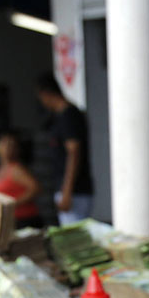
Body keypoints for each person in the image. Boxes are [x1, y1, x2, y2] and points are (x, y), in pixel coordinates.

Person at [35, 72, 93, 223]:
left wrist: (67, 190)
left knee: (74, 238)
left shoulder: (69, 115)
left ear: (46, 94)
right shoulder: (60, 117)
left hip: (75, 191)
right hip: (69, 189)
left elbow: (73, 151)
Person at [0, 131, 42, 228]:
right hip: (10, 220)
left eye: (12, 145)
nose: (8, 149)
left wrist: (14, 204)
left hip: (24, 220)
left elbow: (35, 188)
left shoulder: (17, 169)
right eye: (5, 144)